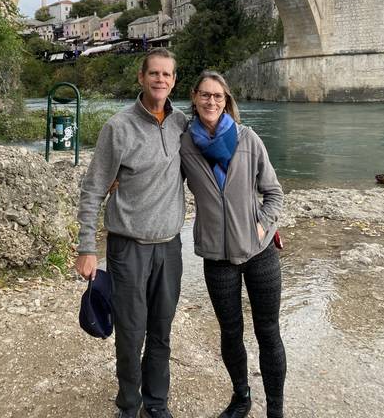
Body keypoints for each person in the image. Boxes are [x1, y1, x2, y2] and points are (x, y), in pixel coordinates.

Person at [75, 47, 187, 418]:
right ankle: (129, 404)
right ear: (141, 78)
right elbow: (93, 189)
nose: (160, 80)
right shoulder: (117, 127)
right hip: (128, 248)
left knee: (161, 330)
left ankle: (156, 404)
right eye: (154, 73)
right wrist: (87, 247)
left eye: (167, 75)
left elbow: (219, 140)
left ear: (174, 81)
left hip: (169, 247)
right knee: (130, 332)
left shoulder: (181, 124)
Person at [180, 71, 286, 418]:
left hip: (260, 252)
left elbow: (274, 193)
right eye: (205, 95)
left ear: (227, 101)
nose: (212, 102)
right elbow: (159, 175)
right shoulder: (185, 145)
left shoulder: (248, 138)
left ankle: (275, 407)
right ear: (194, 98)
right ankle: (241, 397)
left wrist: (261, 227)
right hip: (217, 255)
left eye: (219, 97)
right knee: (230, 332)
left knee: (268, 330)